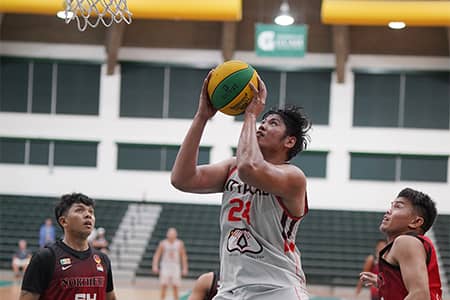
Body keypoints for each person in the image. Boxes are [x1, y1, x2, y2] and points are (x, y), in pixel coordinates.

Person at [171, 72, 311, 299]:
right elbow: (182, 179)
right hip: (231, 289)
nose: (262, 126)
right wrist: (202, 117)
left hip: (278, 288)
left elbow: (250, 169)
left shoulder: (293, 177)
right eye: (262, 121)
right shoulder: (232, 168)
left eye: (272, 123)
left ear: (289, 141)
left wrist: (251, 116)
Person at [19, 193, 116, 300]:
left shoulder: (103, 259)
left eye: (91, 212)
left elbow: (110, 297)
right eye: (79, 210)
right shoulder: (45, 258)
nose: (88, 215)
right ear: (64, 221)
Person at [359, 188, 442, 300]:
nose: (389, 210)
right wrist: (387, 283)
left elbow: (420, 295)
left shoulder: (406, 242)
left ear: (416, 222)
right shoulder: (413, 244)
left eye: (398, 206)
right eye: (392, 205)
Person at [152, 227, 189, 300]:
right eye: (170, 233)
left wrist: (185, 268)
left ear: (176, 235)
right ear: (167, 234)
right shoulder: (163, 243)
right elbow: (157, 255)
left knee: (175, 286)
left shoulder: (179, 243)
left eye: (173, 233)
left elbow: (183, 256)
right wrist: (155, 266)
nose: (171, 235)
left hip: (175, 266)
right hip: (165, 265)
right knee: (164, 285)